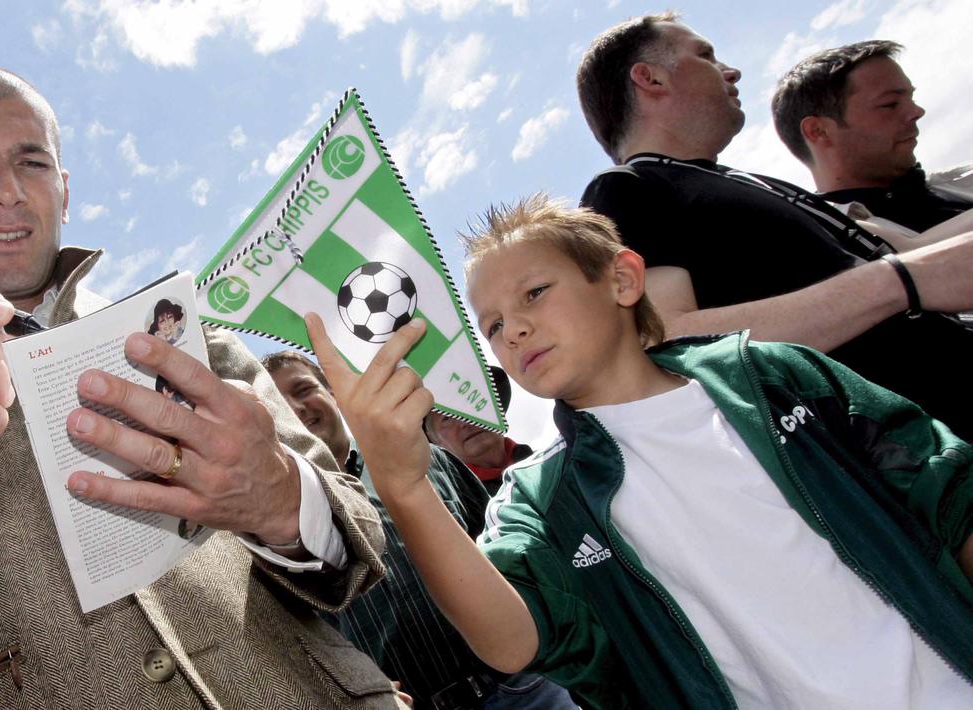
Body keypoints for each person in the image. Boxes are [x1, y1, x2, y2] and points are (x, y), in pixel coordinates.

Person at [0, 65, 402, 709]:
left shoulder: (185, 333)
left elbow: (362, 541)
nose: (8, 190)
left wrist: (282, 497)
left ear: (64, 190)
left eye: (32, 162)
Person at [307, 194, 973, 708]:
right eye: (492, 325)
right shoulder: (539, 498)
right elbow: (511, 641)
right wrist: (405, 488)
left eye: (533, 293)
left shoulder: (770, 375)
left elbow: (948, 494)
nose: (513, 329)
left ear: (623, 280)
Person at [575, 12, 973, 440]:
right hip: (928, 451)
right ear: (650, 79)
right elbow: (670, 342)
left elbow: (900, 255)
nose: (732, 71)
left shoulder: (737, 182)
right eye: (706, 55)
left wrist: (909, 271)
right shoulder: (625, 188)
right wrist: (896, 282)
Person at [262, 350, 577, 709]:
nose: (296, 408)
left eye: (303, 389)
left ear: (334, 394)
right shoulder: (275, 534)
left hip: (526, 690)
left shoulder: (429, 461)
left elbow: (511, 556)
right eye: (277, 403)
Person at [771, 40, 972, 242]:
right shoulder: (833, 247)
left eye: (911, 99)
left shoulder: (962, 182)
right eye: (890, 104)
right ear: (819, 131)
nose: (917, 112)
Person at [423, 368, 532, 495]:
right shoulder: (448, 500)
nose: (465, 422)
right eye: (447, 418)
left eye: (471, 403)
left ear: (497, 409)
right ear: (434, 440)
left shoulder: (547, 464)